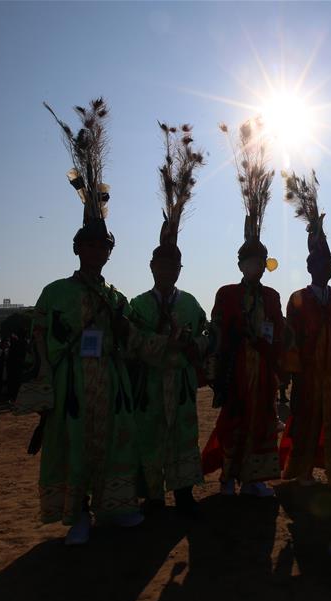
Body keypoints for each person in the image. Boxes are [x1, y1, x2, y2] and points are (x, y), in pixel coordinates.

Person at [30, 97, 170, 545]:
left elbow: (133, 341)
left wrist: (167, 343)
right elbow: (42, 340)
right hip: (73, 382)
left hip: (112, 383)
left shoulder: (116, 297)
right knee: (73, 446)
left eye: (103, 247)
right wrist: (47, 382)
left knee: (117, 444)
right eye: (90, 247)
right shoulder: (56, 293)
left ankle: (117, 506)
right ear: (77, 249)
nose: (97, 253)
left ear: (110, 252)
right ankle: (79, 516)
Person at [201, 118, 283, 498]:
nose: (253, 266)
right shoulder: (227, 293)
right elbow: (216, 330)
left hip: (263, 368)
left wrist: (281, 358)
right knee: (233, 420)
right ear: (240, 264)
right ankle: (228, 477)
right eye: (249, 260)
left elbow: (279, 331)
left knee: (262, 420)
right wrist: (219, 363)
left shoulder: (272, 297)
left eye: (259, 260)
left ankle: (255, 477)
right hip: (236, 367)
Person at [130, 121, 207, 516]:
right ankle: (155, 495)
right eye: (161, 264)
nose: (167, 270)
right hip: (151, 383)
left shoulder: (191, 302)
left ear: (179, 268)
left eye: (173, 265)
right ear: (152, 266)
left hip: (179, 383)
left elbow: (206, 335)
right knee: (151, 435)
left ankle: (183, 492)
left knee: (182, 434)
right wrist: (165, 344)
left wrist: (193, 343)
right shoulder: (138, 304)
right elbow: (131, 342)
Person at [278, 171, 331, 491]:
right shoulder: (298, 299)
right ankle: (304, 471)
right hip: (308, 374)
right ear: (310, 268)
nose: (324, 269)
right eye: (319, 265)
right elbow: (290, 338)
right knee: (307, 422)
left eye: (329, 266)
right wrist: (292, 374)